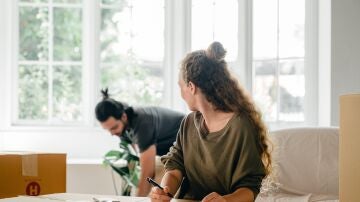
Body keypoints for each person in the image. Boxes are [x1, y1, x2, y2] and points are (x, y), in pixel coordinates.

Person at [149, 42, 272, 202]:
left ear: (191, 87)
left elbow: (249, 188)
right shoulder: (189, 122)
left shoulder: (241, 126)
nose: (181, 93)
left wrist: (226, 200)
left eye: (181, 87)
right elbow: (175, 166)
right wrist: (165, 191)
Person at [95, 89, 185, 196]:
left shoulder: (142, 123)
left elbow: (148, 173)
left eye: (114, 128)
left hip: (187, 145)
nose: (112, 133)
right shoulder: (123, 120)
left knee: (155, 187)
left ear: (124, 116)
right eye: (108, 130)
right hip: (168, 152)